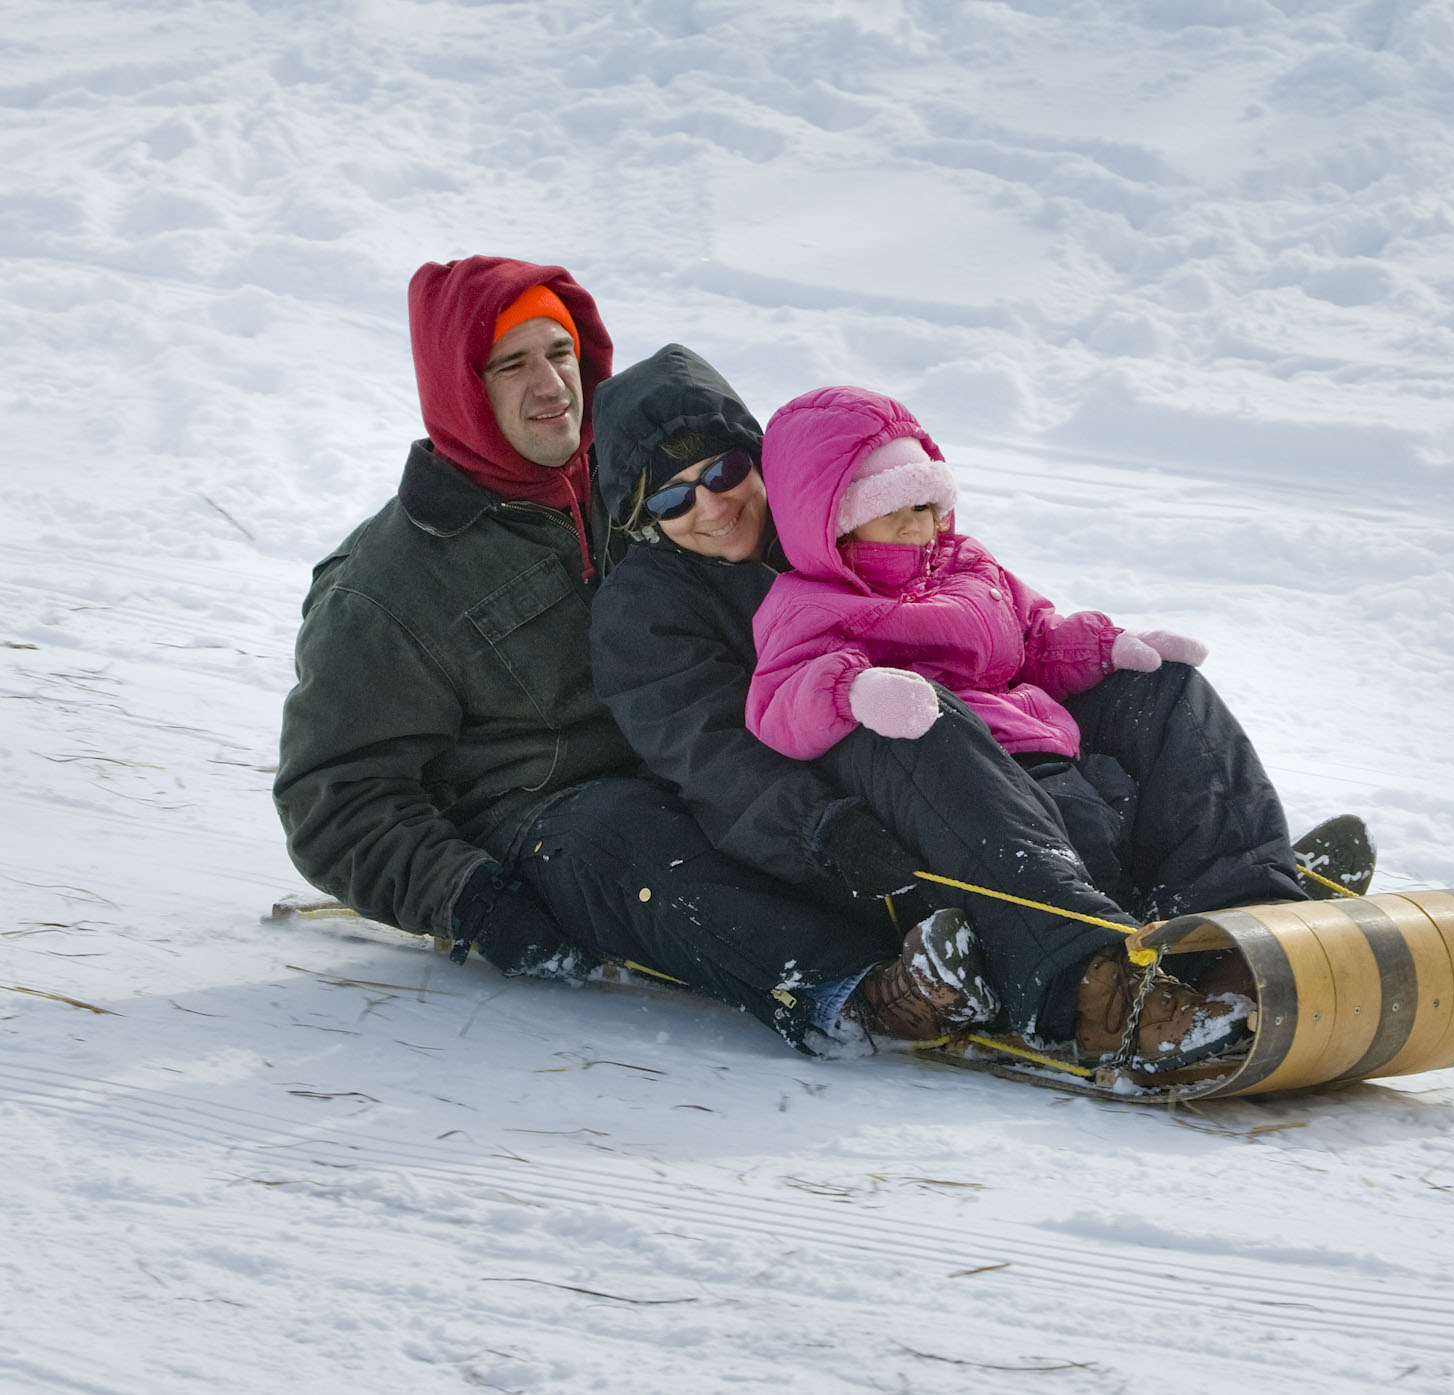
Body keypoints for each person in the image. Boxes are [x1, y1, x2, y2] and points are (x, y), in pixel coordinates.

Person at [272, 256, 987, 1055]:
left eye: (560, 353)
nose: (551, 385)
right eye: (512, 365)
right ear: (460, 386)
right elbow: (333, 798)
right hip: (561, 812)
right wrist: (467, 898)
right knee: (625, 836)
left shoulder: (648, 480)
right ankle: (855, 988)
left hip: (704, 743)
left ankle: (1021, 926)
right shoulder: (384, 587)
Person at [589, 349, 1321, 1074]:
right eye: (672, 497)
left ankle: (1245, 926)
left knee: (1162, 687)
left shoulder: (858, 515)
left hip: (999, 782)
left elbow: (1016, 631)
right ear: (642, 518)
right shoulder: (645, 612)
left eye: (722, 473)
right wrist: (821, 828)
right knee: (906, 713)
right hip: (863, 840)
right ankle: (1097, 990)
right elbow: (715, 762)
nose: (711, 505)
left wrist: (1108, 651)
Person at [744, 384, 1208, 771]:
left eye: (922, 506)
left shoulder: (965, 562)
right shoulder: (809, 604)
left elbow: (1034, 637)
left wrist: (1105, 646)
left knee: (1162, 702)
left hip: (1046, 741)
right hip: (964, 772)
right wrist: (854, 693)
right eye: (886, 511)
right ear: (833, 523)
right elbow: (778, 704)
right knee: (1084, 829)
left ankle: (1244, 873)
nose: (912, 525)